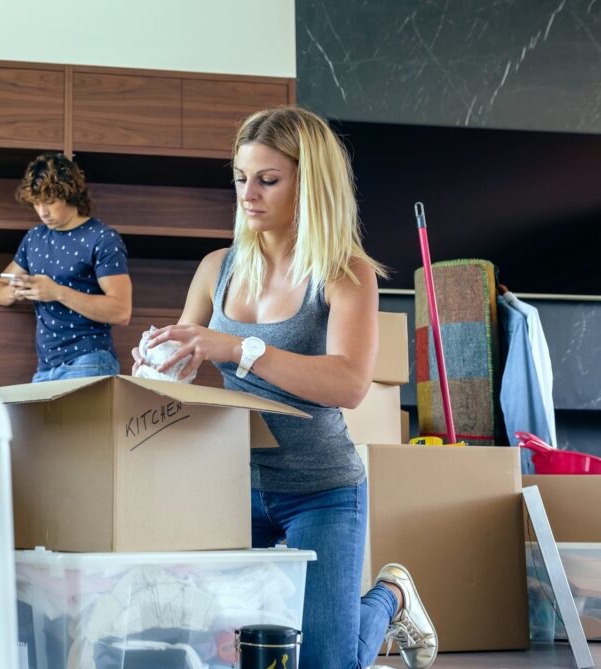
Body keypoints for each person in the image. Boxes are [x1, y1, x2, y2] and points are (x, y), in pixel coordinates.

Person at [133, 107, 439, 669]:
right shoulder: (216, 268)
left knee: (326, 662)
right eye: (241, 178)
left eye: (268, 180)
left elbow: (348, 383)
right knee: (222, 651)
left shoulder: (344, 272)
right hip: (230, 488)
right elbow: (187, 361)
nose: (249, 194)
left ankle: (390, 596)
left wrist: (239, 349)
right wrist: (162, 364)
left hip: (321, 488)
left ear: (310, 184)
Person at [0, 152, 132, 382]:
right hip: (45, 369)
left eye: (50, 201)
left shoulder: (102, 238)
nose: (43, 212)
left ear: (70, 194)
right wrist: (14, 291)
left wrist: (56, 291)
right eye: (36, 202)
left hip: (89, 361)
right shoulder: (35, 237)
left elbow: (121, 311)